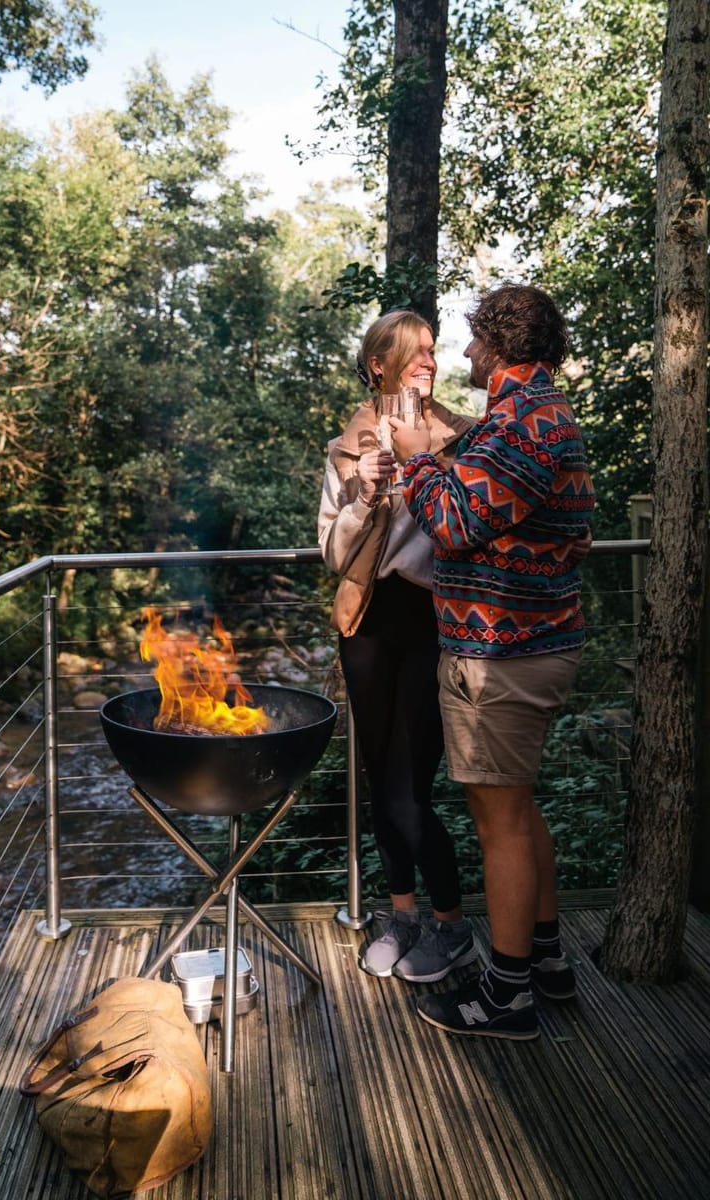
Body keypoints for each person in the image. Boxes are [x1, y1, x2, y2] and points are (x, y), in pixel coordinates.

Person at [388, 283, 595, 1041]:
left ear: (501, 344)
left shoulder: (522, 423)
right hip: (531, 643)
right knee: (521, 807)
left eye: (474, 340)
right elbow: (572, 524)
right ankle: (546, 959)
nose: (466, 353)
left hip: (501, 655)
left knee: (498, 821)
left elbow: (452, 521)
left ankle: (506, 998)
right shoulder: (542, 416)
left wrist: (413, 460)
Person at [317, 309, 478, 984]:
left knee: (412, 789)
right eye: (414, 353)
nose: (428, 362)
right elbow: (332, 553)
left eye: (433, 351)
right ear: (378, 363)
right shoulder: (347, 446)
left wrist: (422, 464)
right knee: (381, 780)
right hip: (366, 621)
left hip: (435, 621)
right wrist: (364, 496)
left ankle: (450, 925)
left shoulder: (464, 438)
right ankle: (401, 915)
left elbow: (473, 531)